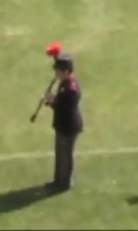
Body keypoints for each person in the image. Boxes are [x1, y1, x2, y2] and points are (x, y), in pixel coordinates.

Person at [43, 50, 82, 192]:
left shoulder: (70, 89)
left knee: (66, 155)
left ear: (66, 71)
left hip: (68, 127)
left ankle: (65, 182)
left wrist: (51, 100)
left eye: (58, 71)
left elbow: (63, 109)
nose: (56, 73)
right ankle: (58, 180)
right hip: (63, 125)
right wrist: (51, 101)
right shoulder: (66, 83)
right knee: (60, 155)